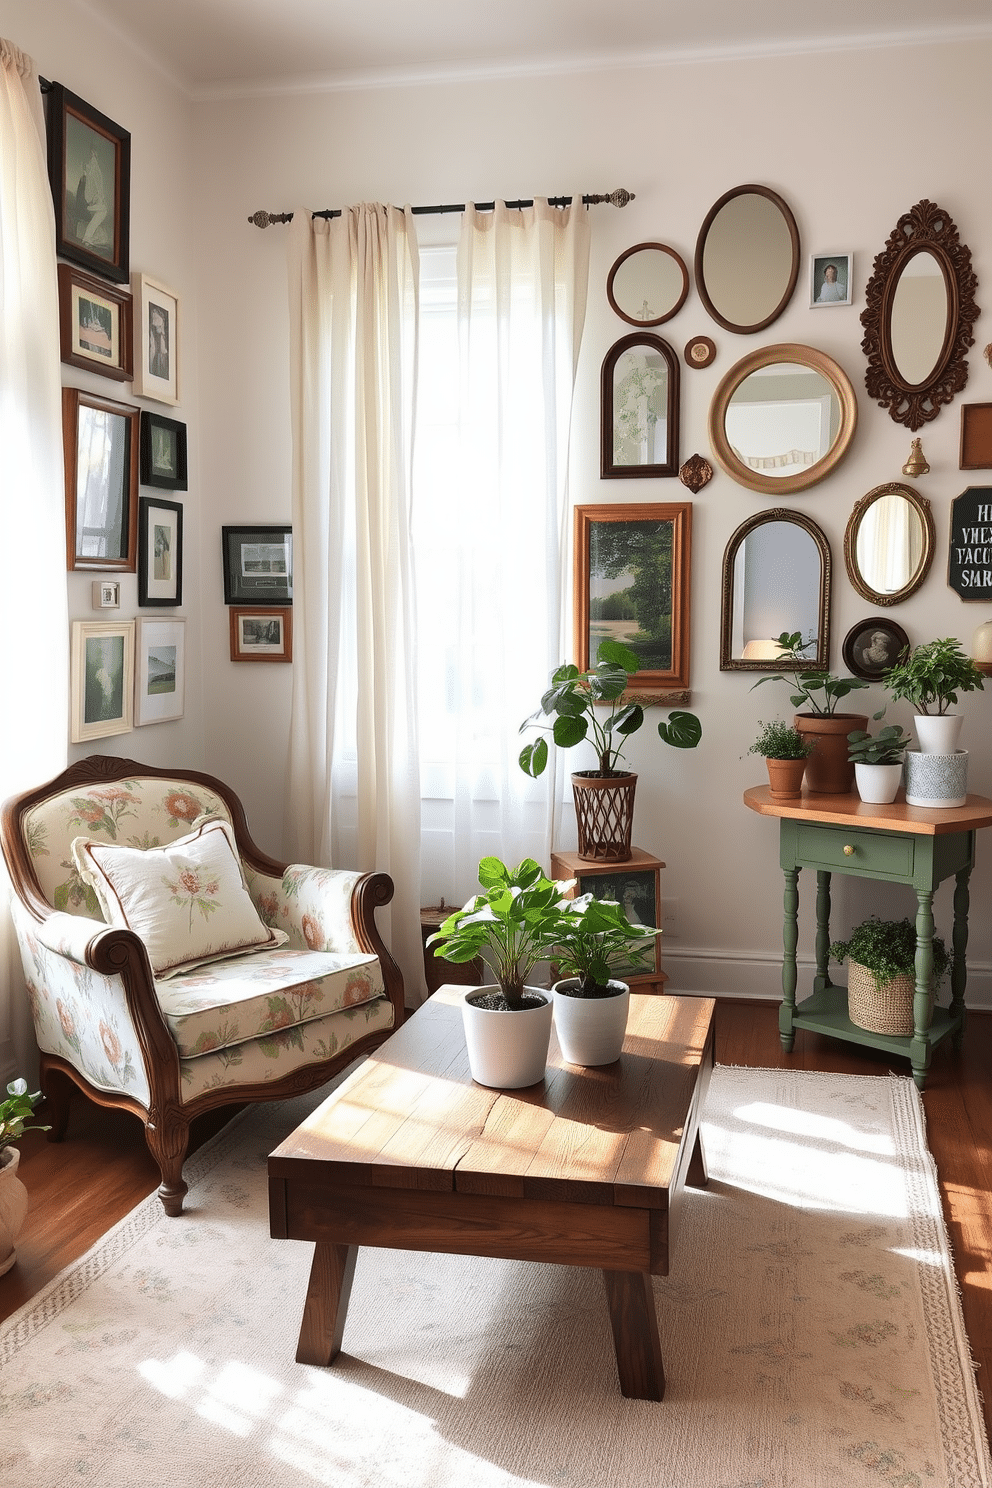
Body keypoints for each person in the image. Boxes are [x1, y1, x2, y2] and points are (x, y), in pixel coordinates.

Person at [75, 146, 108, 247]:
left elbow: (96, 187)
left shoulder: (91, 174)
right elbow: (84, 196)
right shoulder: (86, 177)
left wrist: (98, 199)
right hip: (85, 205)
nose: (94, 157)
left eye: (95, 155)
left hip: (89, 203)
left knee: (103, 210)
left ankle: (88, 237)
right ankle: (87, 237)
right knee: (103, 211)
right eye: (92, 154)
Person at [148, 304, 169, 380]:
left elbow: (164, 351)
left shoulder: (163, 334)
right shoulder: (152, 332)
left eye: (156, 318)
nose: (154, 321)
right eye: (153, 318)